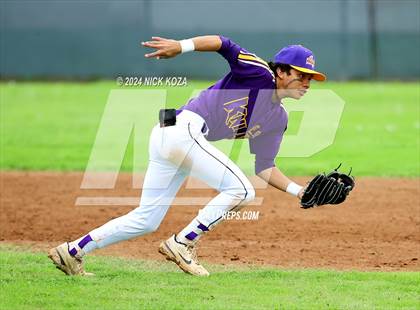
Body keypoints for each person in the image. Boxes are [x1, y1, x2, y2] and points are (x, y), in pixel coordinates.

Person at [48, 35, 326, 277]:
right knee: (241, 191)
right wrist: (180, 46)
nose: (306, 83)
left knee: (147, 219)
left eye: (310, 78)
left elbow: (265, 167)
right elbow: (223, 43)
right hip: (180, 130)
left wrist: (299, 191)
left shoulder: (278, 119)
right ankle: (182, 243)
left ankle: (71, 251)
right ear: (280, 71)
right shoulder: (259, 73)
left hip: (176, 138)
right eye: (300, 75)